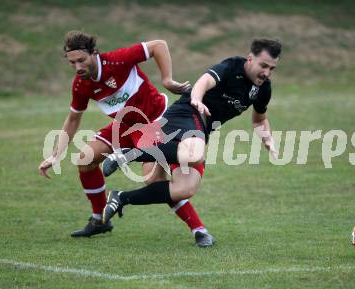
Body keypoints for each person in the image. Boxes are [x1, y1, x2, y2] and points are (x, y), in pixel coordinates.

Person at [38, 30, 214, 247]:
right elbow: (73, 119)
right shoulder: (81, 84)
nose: (78, 67)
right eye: (72, 63)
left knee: (153, 180)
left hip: (154, 122)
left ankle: (198, 229)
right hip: (125, 127)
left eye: (81, 60)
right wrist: (56, 155)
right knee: (85, 159)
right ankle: (99, 219)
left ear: (94, 53)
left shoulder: (117, 60)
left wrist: (167, 79)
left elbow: (158, 45)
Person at [102, 38, 282, 238]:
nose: (266, 72)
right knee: (194, 155)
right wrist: (196, 98)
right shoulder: (232, 66)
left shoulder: (263, 88)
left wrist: (268, 139)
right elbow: (204, 81)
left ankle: (121, 198)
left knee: (182, 188)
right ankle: (127, 155)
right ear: (250, 59)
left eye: (271, 68)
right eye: (263, 65)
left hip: (201, 128)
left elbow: (259, 120)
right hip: (186, 113)